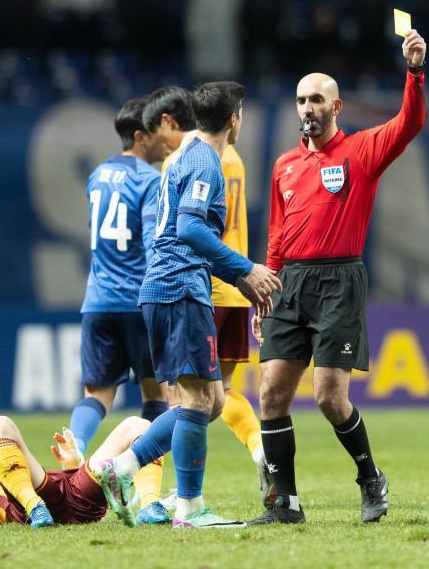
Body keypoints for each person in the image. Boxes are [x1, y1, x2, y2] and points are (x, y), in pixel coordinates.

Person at [250, 30, 427, 525]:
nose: (308, 107)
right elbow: (278, 233)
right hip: (290, 283)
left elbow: (409, 124)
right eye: (301, 100)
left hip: (338, 281)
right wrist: (266, 289)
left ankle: (370, 478)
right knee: (270, 392)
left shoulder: (362, 152)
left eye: (317, 100)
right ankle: (285, 504)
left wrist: (414, 72)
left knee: (329, 395)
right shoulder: (285, 164)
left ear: (337, 106)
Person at [95, 81, 282, 529]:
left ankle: (120, 469)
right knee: (199, 401)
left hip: (170, 288)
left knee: (212, 400)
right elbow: (191, 231)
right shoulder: (204, 161)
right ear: (234, 119)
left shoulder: (183, 156)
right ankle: (190, 508)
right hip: (179, 290)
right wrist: (245, 270)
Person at [71, 97, 169, 461]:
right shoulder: (149, 179)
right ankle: (141, 482)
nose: (165, 141)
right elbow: (151, 243)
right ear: (141, 136)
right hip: (138, 300)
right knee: (156, 396)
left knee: (95, 396)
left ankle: (76, 449)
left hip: (97, 300)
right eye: (159, 133)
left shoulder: (97, 175)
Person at [0, 402, 144, 527]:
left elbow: (62, 496)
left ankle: (150, 506)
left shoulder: (17, 467)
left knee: (137, 424)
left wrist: (74, 463)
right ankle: (34, 506)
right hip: (27, 505)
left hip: (74, 499)